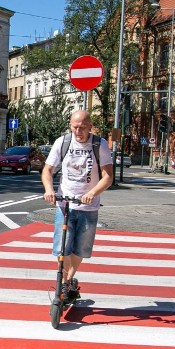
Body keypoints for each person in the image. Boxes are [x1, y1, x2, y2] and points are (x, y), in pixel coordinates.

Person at [41, 110, 113, 303]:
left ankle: (70, 280)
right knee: (62, 248)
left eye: (82, 127)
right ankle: (65, 282)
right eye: (74, 127)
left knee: (80, 249)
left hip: (88, 208)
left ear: (90, 126)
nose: (78, 131)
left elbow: (108, 177)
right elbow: (47, 170)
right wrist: (49, 190)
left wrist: (92, 193)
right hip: (64, 205)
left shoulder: (100, 144)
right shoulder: (62, 142)